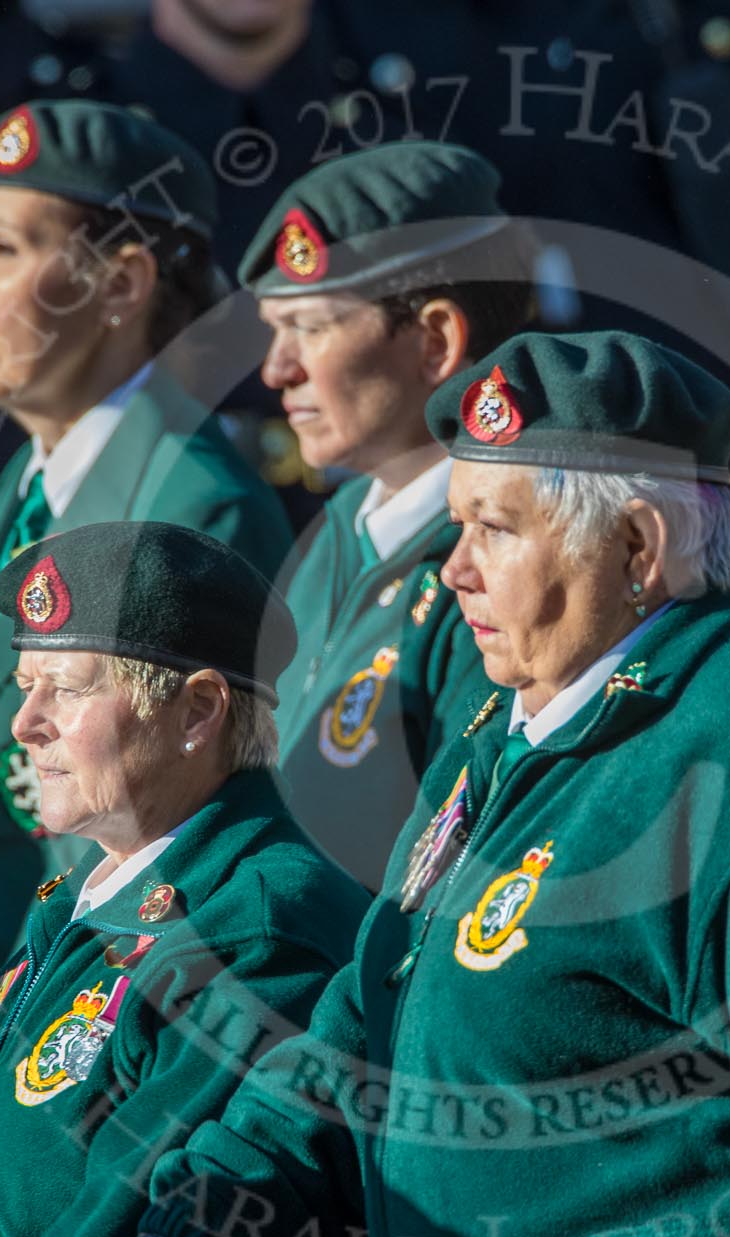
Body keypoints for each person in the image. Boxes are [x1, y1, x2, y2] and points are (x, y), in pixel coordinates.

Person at [48, 331, 730, 1237]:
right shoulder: (517, 725)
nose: (457, 569)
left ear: (638, 549)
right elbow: (365, 1020)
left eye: (496, 529)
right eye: (458, 524)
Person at [0, 521, 372, 1237]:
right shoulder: (89, 894)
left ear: (197, 711)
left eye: (66, 689)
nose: (24, 723)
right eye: (23, 684)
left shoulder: (258, 922)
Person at [0, 98, 293, 1090]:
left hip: (102, 1072)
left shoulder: (191, 511)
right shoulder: (34, 480)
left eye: (0, 248)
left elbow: (178, 870)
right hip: (3, 1045)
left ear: (121, 282)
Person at [248, 141, 533, 891]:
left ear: (435, 341)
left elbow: (454, 869)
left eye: (309, 327)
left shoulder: (509, 558)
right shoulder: (342, 525)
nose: (276, 370)